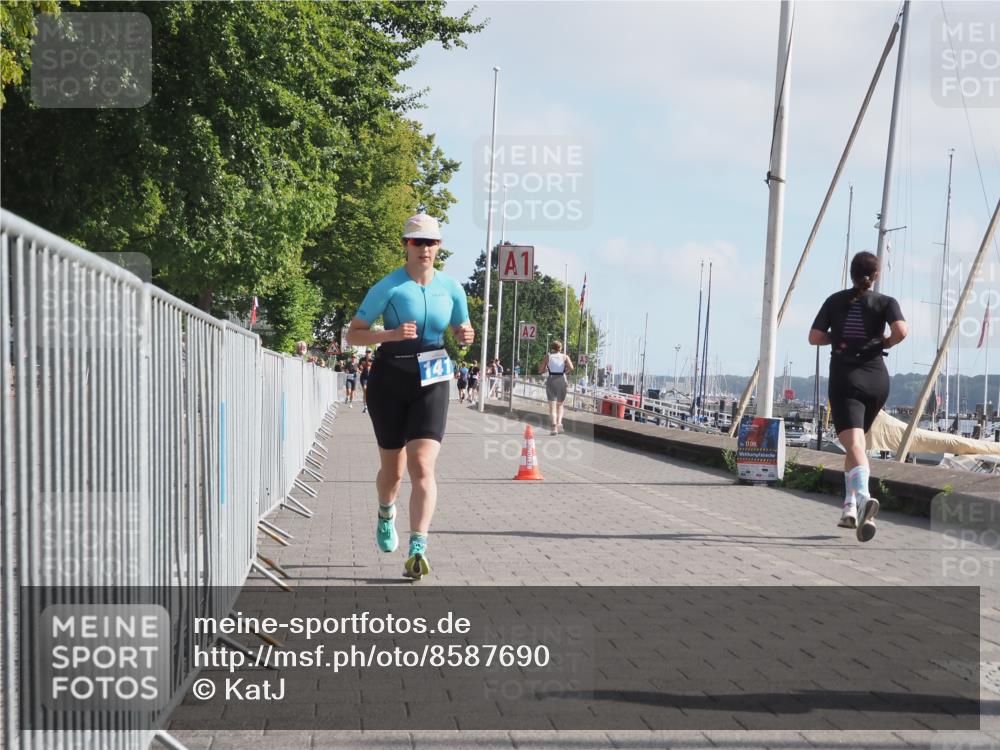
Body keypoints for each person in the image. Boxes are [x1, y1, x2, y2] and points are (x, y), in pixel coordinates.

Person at [345, 213, 475, 580]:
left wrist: (466, 335)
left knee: (422, 465)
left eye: (431, 243)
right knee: (394, 471)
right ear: (406, 245)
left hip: (432, 379)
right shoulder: (388, 286)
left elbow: (462, 326)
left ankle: (418, 546)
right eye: (418, 243)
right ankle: (386, 512)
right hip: (390, 379)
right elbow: (353, 335)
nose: (425, 249)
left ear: (439, 248)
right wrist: (388, 335)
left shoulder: (451, 287)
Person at [809, 251, 907, 542]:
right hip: (877, 379)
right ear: (875, 275)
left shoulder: (835, 300)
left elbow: (814, 337)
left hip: (846, 378)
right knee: (858, 445)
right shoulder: (886, 302)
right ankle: (849, 507)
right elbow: (901, 330)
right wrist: (884, 342)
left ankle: (863, 497)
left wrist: (836, 336)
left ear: (851, 274)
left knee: (853, 443)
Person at [539, 340, 574, 435]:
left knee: (552, 406)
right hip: (561, 380)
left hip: (551, 380)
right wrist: (564, 372)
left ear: (552, 347)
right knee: (560, 405)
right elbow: (571, 367)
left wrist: (546, 369)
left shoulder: (548, 356)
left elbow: (540, 370)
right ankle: (559, 424)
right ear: (560, 348)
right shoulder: (565, 357)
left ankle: (554, 428)